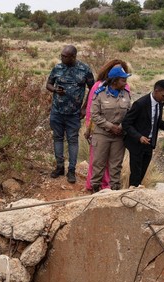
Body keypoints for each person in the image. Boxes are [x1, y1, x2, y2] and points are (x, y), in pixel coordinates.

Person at [46, 45, 95, 182]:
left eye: (65, 56)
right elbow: (48, 84)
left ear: (73, 57)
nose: (62, 58)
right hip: (57, 111)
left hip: (74, 113)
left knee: (73, 141)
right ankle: (59, 167)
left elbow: (93, 90)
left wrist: (85, 108)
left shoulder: (84, 70)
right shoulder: (57, 68)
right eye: (61, 55)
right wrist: (55, 90)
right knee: (57, 138)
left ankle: (71, 170)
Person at [83, 59, 130, 190]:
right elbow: (95, 114)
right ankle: (95, 189)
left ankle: (114, 190)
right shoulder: (100, 94)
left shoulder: (126, 94)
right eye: (123, 80)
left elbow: (129, 113)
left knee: (116, 165)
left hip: (119, 136)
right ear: (114, 80)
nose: (125, 82)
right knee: (98, 164)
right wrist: (110, 127)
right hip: (102, 134)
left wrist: (121, 127)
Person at [123, 79, 164, 188]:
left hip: (149, 144)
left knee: (142, 173)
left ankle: (136, 193)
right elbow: (126, 123)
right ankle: (130, 196)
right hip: (137, 144)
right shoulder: (140, 104)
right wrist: (139, 137)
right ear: (156, 91)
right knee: (135, 175)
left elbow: (155, 121)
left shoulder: (160, 103)